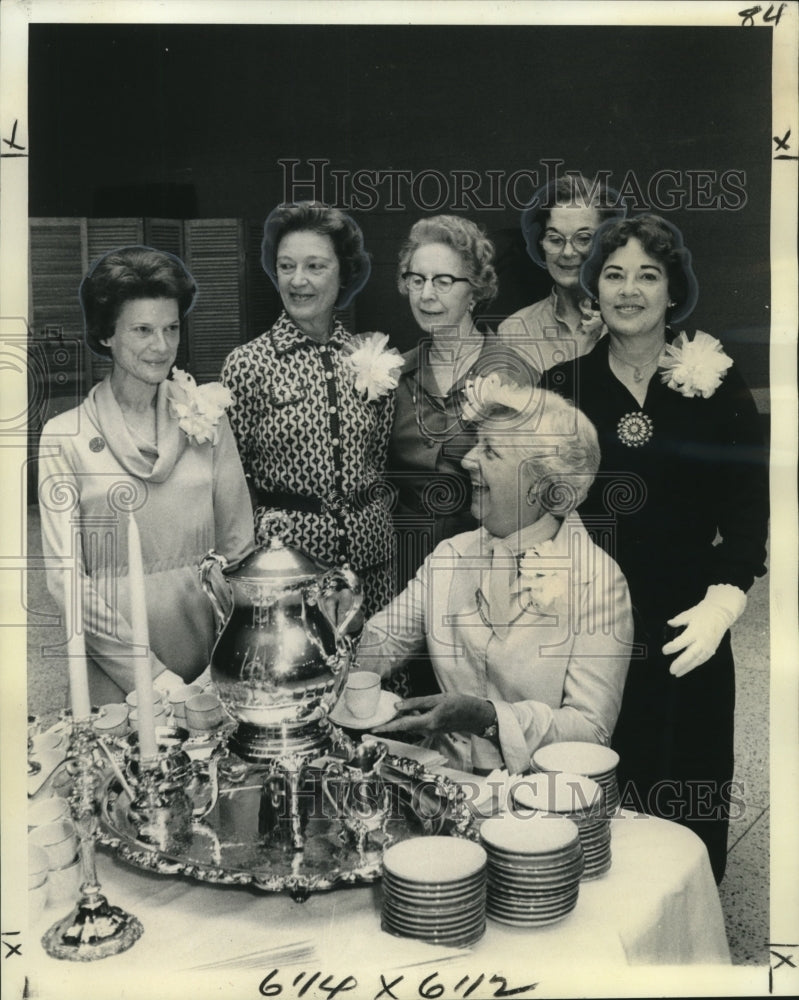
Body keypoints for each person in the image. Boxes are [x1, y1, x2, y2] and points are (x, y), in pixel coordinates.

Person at [540, 214, 769, 883]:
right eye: (613, 274)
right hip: (588, 617)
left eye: (648, 275)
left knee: (687, 775)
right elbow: (538, 509)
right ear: (593, 288)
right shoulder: (563, 387)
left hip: (686, 617)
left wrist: (725, 599)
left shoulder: (716, 384)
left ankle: (686, 919)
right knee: (599, 776)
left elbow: (747, 507)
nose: (629, 290)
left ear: (674, 291)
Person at [357, 383, 633, 776]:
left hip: (543, 801)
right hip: (444, 784)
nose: (467, 460)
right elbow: (384, 641)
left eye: (489, 451)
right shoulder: (451, 556)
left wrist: (487, 718)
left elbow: (591, 730)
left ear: (540, 486)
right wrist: (339, 640)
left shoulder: (599, 582)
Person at [38, 246, 254, 706]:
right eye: (142, 330)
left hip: (211, 659)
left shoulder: (209, 418)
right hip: (117, 668)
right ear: (106, 336)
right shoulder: (64, 438)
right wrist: (152, 677)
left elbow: (239, 549)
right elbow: (66, 581)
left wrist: (231, 657)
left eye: (171, 328)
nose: (161, 346)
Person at [221, 202, 400, 620]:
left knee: (372, 673)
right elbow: (232, 480)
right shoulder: (248, 364)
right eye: (286, 266)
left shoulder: (373, 357)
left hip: (369, 560)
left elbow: (379, 462)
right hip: (287, 566)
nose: (297, 281)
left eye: (315, 266)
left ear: (344, 272)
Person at [388, 214, 531, 592]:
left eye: (443, 281)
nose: (426, 294)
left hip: (488, 573)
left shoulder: (514, 375)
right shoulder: (392, 376)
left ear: (476, 290)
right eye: (416, 280)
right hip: (402, 572)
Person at [498, 174, 623, 373]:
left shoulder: (632, 320)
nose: (567, 252)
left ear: (608, 241)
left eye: (583, 238)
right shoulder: (515, 330)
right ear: (541, 243)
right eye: (555, 239)